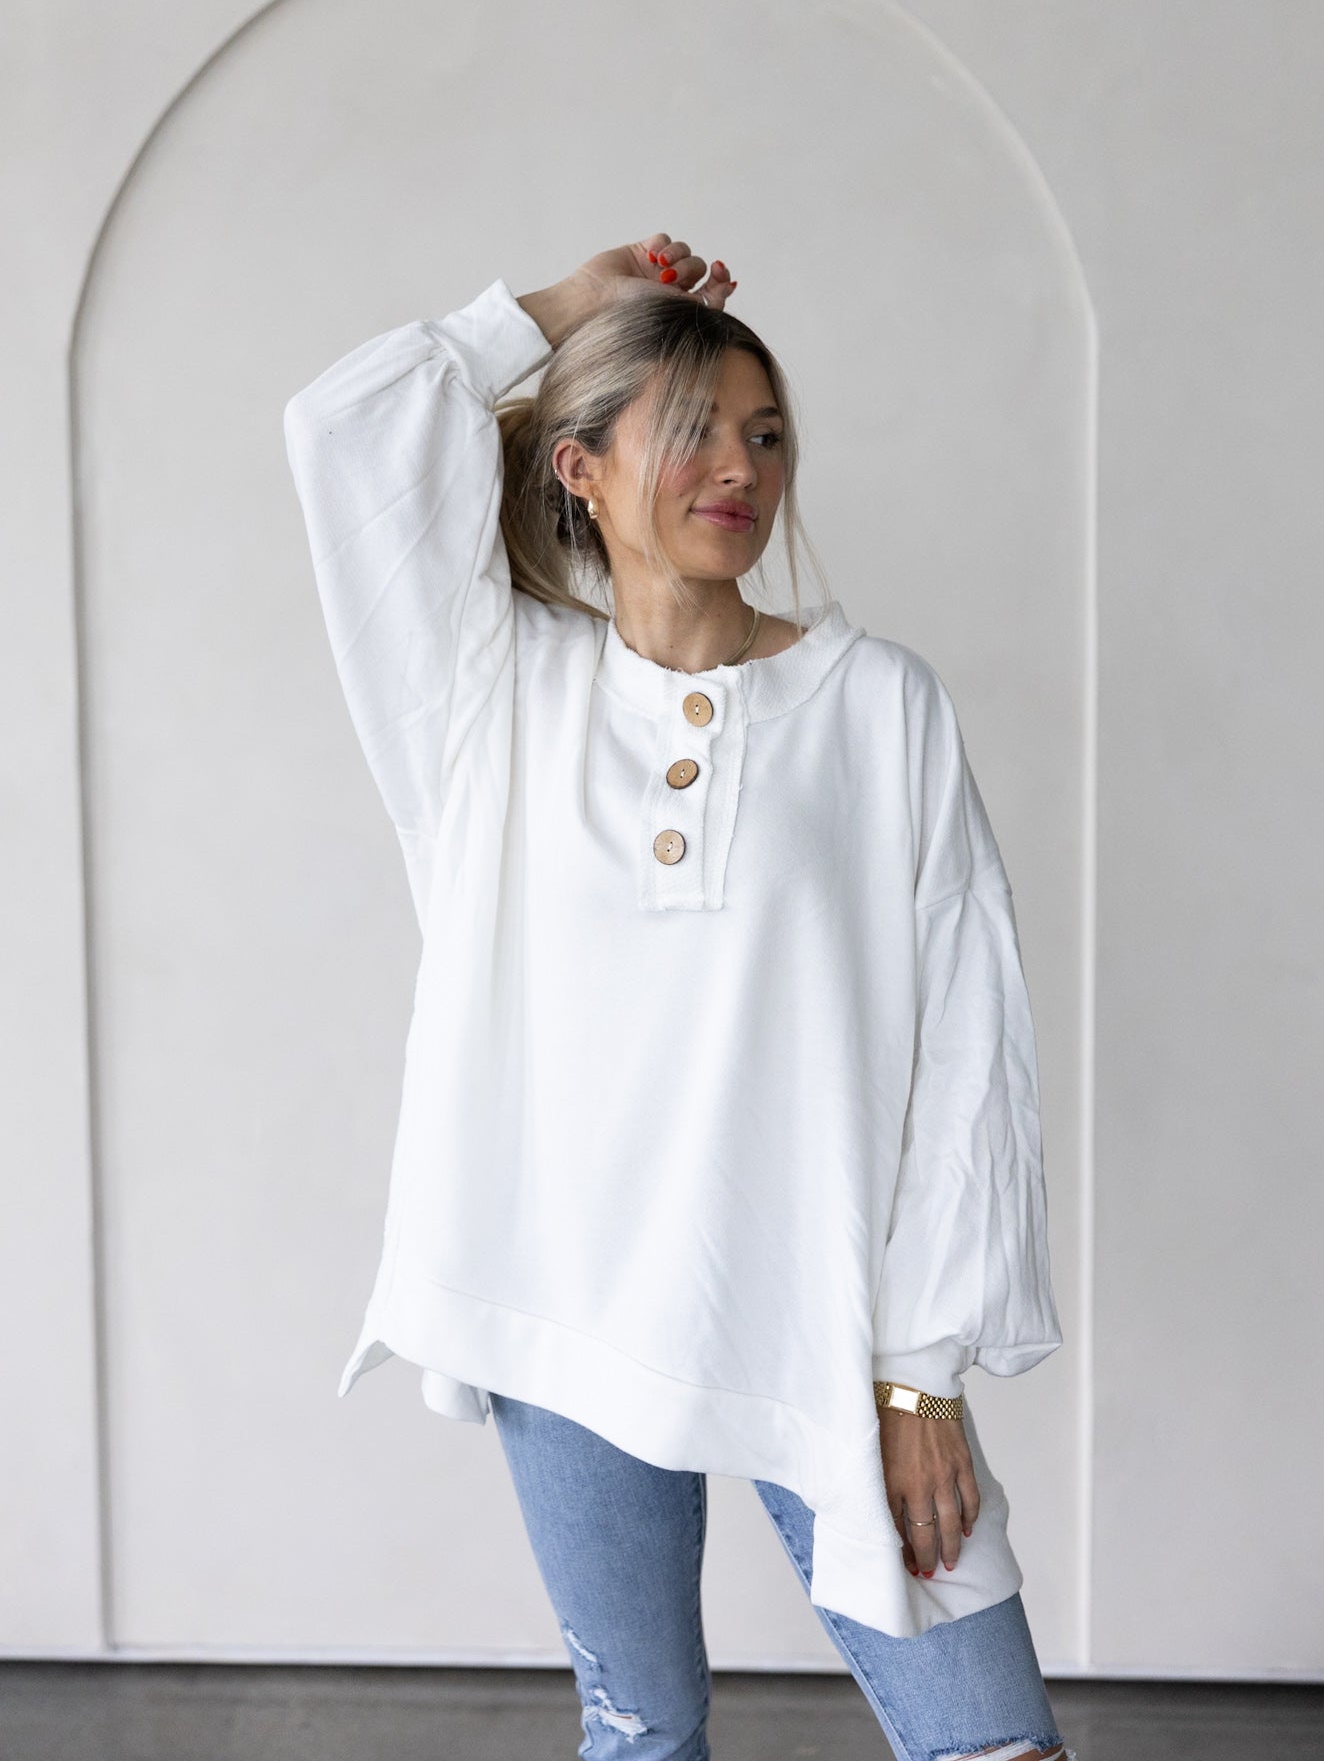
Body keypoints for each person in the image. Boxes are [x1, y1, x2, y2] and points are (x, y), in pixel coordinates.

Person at [283, 232, 1073, 1761]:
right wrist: (554, 311)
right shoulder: (489, 694)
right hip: (565, 1314)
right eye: (695, 428)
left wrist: (919, 1381)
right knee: (642, 1736)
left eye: (765, 435)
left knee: (996, 1750)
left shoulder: (879, 706)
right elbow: (341, 430)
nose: (739, 468)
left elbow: (969, 1051)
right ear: (575, 467)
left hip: (823, 1325)